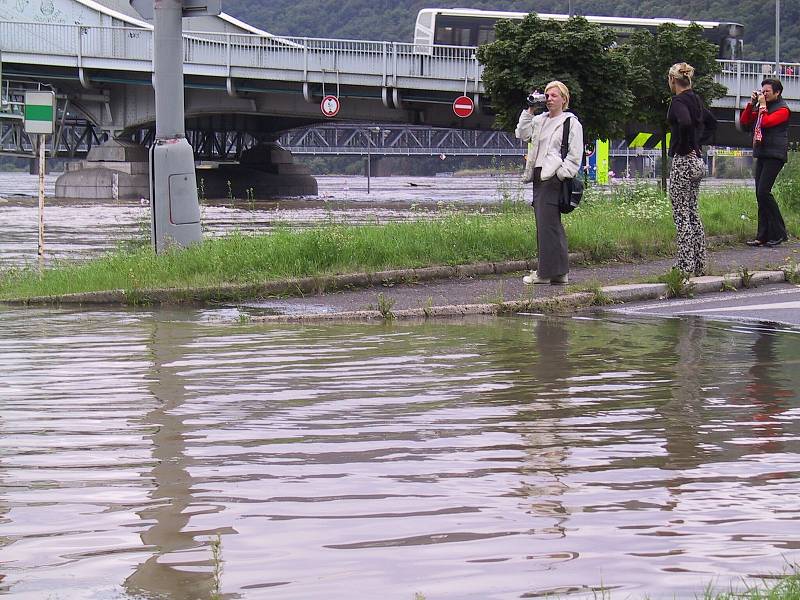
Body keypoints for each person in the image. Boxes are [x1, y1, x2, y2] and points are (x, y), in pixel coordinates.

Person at [515, 81, 583, 285]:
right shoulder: (540, 120)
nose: (549, 99)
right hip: (539, 175)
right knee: (548, 225)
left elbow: (574, 155)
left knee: (548, 225)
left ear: (564, 99)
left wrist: (561, 174)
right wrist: (530, 108)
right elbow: (523, 133)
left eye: (554, 95)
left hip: (553, 177)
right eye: (547, 95)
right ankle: (559, 272)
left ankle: (545, 273)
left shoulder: (570, 123)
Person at [666, 62, 711, 276]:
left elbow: (683, 123)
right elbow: (712, 123)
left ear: (672, 80)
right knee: (693, 211)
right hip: (697, 162)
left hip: (683, 161)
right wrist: (697, 145)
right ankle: (700, 263)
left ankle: (685, 265)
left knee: (680, 212)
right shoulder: (696, 99)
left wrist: (685, 147)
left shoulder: (678, 102)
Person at [739, 78, 791, 247]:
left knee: (764, 192)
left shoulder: (783, 110)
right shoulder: (763, 107)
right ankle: (762, 235)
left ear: (777, 93)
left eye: (767, 91)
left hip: (775, 155)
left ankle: (779, 233)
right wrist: (751, 104)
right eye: (763, 91)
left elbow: (767, 122)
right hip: (762, 153)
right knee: (759, 195)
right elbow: (745, 122)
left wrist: (762, 106)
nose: (764, 94)